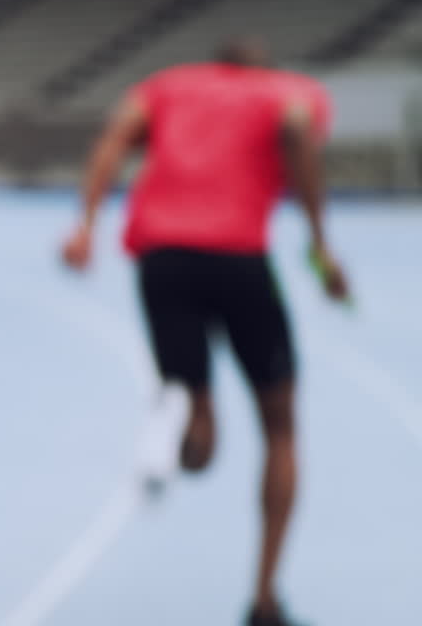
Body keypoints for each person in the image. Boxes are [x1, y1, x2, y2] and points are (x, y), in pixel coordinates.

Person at [60, 37, 349, 626]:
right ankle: (265, 600)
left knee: (198, 439)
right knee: (280, 426)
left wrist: (86, 226)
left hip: (163, 261)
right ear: (262, 66)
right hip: (240, 262)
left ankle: (176, 420)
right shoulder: (289, 91)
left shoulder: (167, 84)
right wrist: (320, 245)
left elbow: (114, 138)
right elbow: (296, 132)